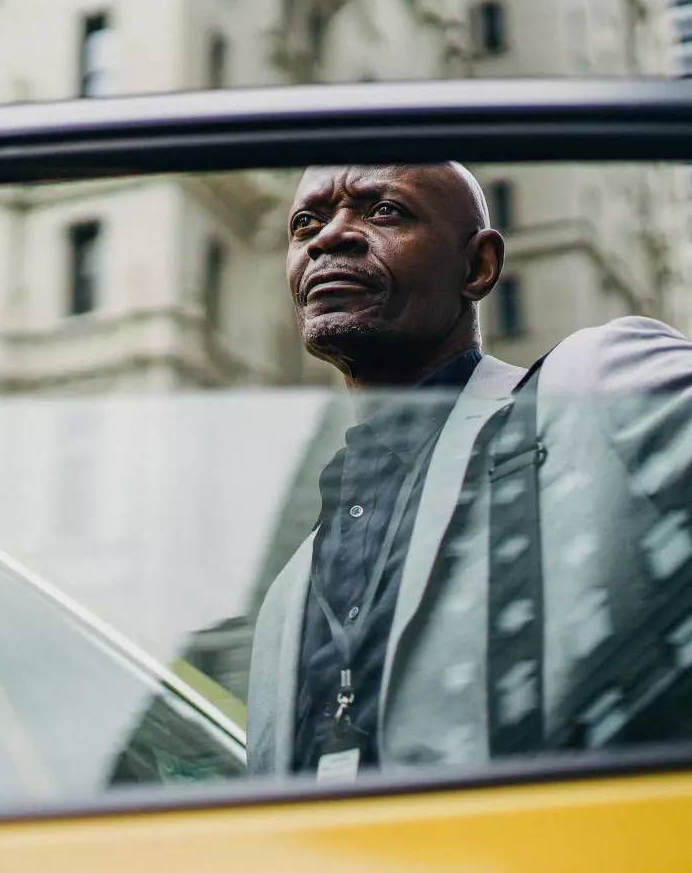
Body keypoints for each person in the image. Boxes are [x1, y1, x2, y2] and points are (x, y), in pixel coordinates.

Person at [247, 163, 692, 782]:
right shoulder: (287, 591)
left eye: (383, 212)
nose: (329, 237)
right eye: (306, 224)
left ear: (478, 267)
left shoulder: (595, 388)